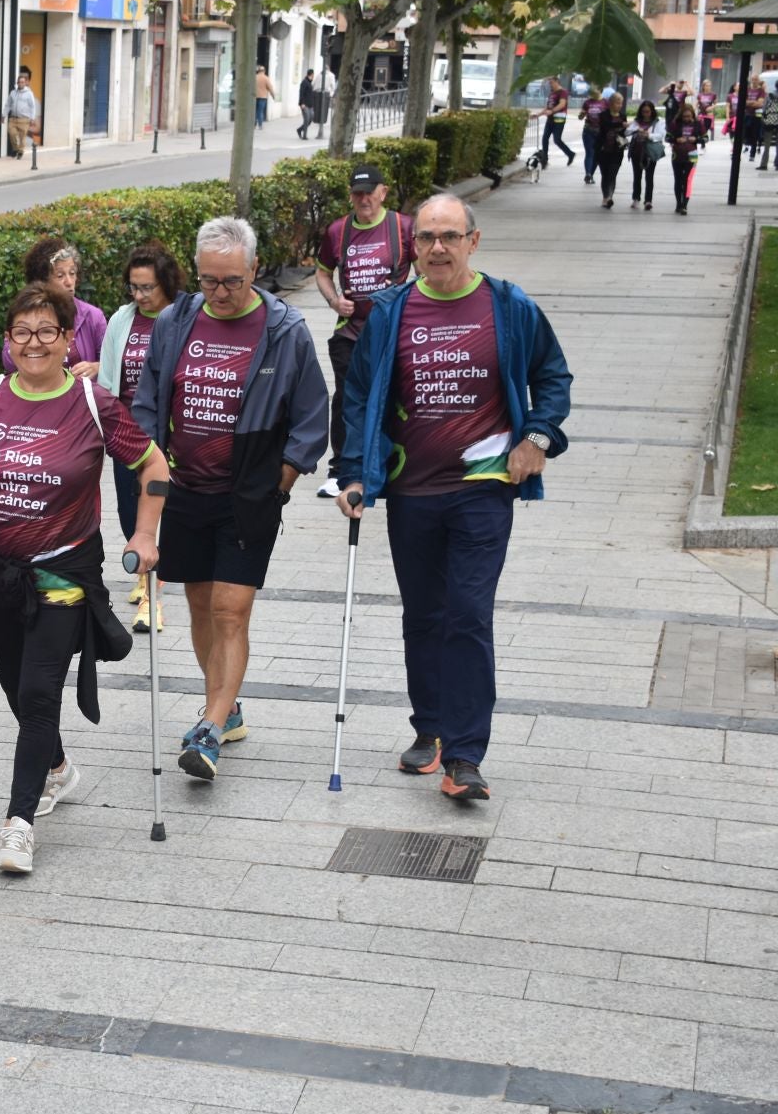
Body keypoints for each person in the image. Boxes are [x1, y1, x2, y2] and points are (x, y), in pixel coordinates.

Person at [336, 193, 573, 803]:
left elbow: (552, 376)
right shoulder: (390, 311)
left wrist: (538, 438)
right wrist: (355, 474)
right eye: (426, 238)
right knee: (424, 615)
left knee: (468, 614)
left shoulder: (509, 306)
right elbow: (359, 396)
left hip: (482, 492)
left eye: (449, 237)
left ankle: (465, 756)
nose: (437, 248)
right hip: (412, 491)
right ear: (413, 247)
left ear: (474, 240)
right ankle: (431, 728)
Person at [0, 284, 166, 875]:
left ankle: (18, 825)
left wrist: (144, 535)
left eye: (46, 331)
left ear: (68, 338)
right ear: (8, 339)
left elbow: (153, 465)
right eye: (21, 331)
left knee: (39, 693)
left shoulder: (94, 403)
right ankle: (57, 767)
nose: (33, 342)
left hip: (64, 571)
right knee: (16, 689)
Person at [133, 217, 329, 781]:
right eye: (209, 281)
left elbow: (313, 416)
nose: (220, 293)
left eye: (232, 282)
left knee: (230, 608)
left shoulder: (284, 330)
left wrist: (282, 483)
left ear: (254, 270)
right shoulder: (176, 320)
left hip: (249, 495)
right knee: (198, 604)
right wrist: (151, 458)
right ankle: (226, 701)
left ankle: (210, 727)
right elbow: (148, 397)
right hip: (186, 488)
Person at [100, 241, 191, 631]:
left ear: (166, 284)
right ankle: (144, 575)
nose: (138, 295)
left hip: (170, 437)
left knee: (159, 511)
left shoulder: (184, 318)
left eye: (146, 288)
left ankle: (151, 601)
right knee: (127, 511)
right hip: (127, 434)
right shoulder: (121, 319)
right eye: (133, 287)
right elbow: (107, 381)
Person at [314, 164, 415, 498]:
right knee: (346, 399)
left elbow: (428, 266)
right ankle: (340, 470)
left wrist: (408, 296)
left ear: (382, 192)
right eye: (357, 193)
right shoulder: (338, 232)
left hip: (392, 332)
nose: (363, 199)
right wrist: (334, 301)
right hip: (351, 333)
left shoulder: (402, 227)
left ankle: (393, 464)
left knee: (394, 398)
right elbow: (323, 272)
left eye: (369, 192)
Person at [4, 239, 105, 382]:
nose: (69, 282)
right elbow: (9, 363)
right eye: (60, 275)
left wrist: (97, 367)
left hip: (80, 399)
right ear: (42, 281)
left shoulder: (93, 316)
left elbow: (113, 364)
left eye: (72, 273)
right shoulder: (24, 313)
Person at [594, 91, 629, 209]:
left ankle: (609, 197)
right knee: (605, 174)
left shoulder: (623, 116)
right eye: (617, 103)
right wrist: (621, 124)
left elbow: (623, 132)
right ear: (611, 103)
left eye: (621, 103)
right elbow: (606, 126)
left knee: (613, 174)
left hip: (617, 149)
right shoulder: (603, 115)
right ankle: (605, 197)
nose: (619, 105)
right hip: (603, 149)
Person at [669, 99, 703, 216]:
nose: (686, 119)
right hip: (677, 155)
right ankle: (678, 203)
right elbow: (667, 137)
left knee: (687, 180)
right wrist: (676, 139)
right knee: (678, 180)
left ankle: (685, 205)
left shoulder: (698, 124)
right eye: (684, 117)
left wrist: (697, 139)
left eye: (689, 116)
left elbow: (706, 138)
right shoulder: (675, 124)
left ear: (693, 115)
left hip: (692, 155)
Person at [628, 100, 664, 211]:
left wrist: (649, 135)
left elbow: (661, 135)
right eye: (643, 111)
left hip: (650, 153)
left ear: (652, 111)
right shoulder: (636, 121)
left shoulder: (657, 122)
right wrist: (636, 130)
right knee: (637, 176)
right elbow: (627, 131)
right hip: (636, 152)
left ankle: (648, 201)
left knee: (649, 177)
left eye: (648, 111)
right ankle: (636, 198)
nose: (646, 114)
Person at [4, 68, 40, 158]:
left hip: (24, 119)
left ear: (25, 83)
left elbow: (32, 106)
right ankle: (16, 149)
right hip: (13, 118)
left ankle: (20, 151)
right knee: (11, 133)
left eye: (23, 82)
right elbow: (8, 104)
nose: (21, 84)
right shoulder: (13, 93)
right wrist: (3, 115)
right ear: (17, 83)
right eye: (19, 82)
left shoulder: (29, 94)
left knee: (22, 137)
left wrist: (32, 118)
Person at [539, 77, 574, 168]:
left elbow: (562, 104)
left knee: (557, 139)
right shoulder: (552, 93)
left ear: (557, 82)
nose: (550, 85)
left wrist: (552, 111)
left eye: (551, 83)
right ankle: (544, 159)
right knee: (545, 138)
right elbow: (548, 106)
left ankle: (570, 154)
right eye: (549, 83)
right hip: (550, 118)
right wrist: (539, 114)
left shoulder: (563, 92)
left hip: (559, 118)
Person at [578, 87, 608, 184]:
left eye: (594, 90)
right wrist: (582, 114)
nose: (592, 92)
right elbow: (580, 117)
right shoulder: (587, 102)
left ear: (600, 90)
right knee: (589, 153)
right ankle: (588, 174)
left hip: (601, 131)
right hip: (588, 130)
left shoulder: (605, 103)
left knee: (597, 154)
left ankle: (590, 174)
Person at [298, 69, 316, 139]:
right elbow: (301, 93)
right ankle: (304, 136)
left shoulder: (309, 82)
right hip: (304, 104)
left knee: (310, 118)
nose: (313, 76)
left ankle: (299, 129)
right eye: (313, 75)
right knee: (306, 119)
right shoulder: (304, 82)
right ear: (311, 74)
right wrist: (301, 103)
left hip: (310, 105)